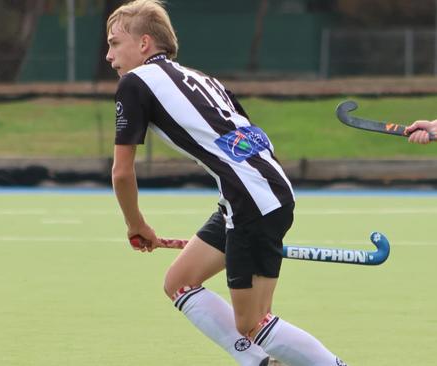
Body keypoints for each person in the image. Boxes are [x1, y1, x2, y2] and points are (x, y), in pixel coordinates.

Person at [106, 1, 347, 365]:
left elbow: (122, 172)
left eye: (114, 43)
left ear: (143, 44)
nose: (109, 56)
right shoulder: (205, 80)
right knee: (179, 281)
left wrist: (136, 224)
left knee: (253, 322)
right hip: (266, 191)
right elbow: (248, 139)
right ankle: (260, 362)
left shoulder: (135, 83)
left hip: (250, 202)